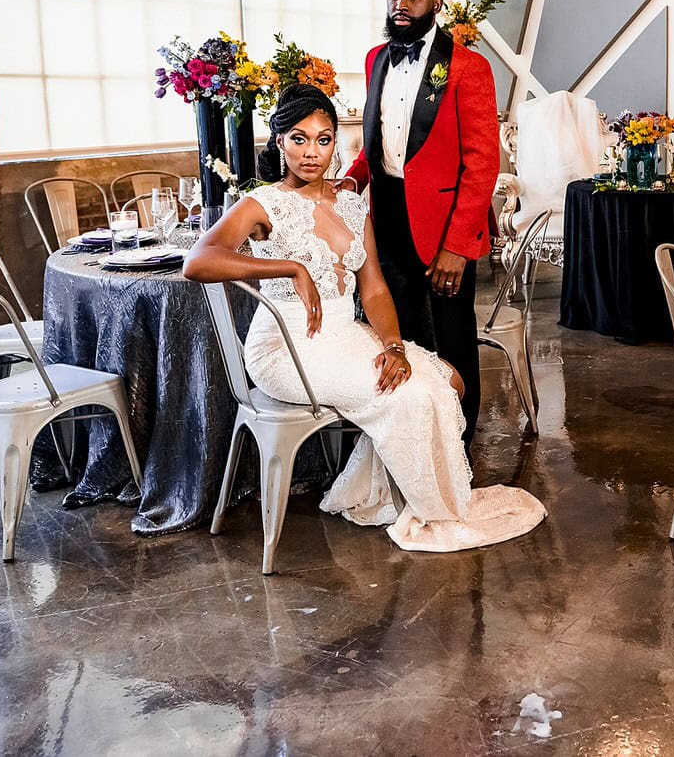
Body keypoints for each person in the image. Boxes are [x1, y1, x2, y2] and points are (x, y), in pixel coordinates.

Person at [183, 85, 542, 552]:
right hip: (287, 347)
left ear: (335, 143)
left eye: (323, 139)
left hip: (345, 334)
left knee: (449, 380)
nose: (311, 152)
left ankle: (382, 493)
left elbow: (373, 288)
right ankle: (434, 509)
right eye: (299, 139)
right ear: (279, 142)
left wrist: (393, 345)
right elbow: (198, 261)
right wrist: (289, 268)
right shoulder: (263, 203)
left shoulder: (353, 205)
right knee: (412, 395)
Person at [343, 0, 499, 452]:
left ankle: (457, 447)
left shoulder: (467, 67)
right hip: (386, 217)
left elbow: (483, 164)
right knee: (398, 335)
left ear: (436, 3)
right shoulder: (376, 59)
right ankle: (409, 442)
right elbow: (377, 145)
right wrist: (350, 181)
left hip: (443, 228)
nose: (401, 3)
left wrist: (458, 246)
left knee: (451, 342)